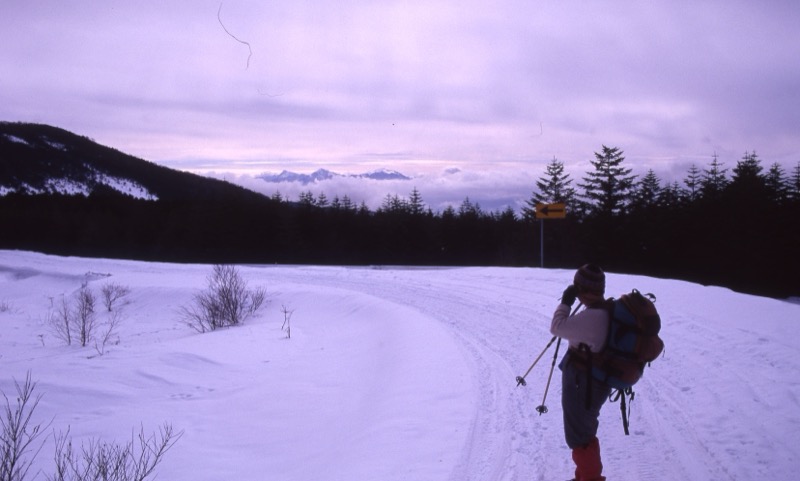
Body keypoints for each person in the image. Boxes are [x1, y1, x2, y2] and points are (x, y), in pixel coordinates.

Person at [550, 264, 611, 481]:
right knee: (584, 432)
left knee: (579, 437)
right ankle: (584, 476)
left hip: (583, 384)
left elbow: (557, 326)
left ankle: (590, 478)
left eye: (577, 287)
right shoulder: (603, 311)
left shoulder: (592, 318)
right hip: (592, 381)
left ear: (582, 289)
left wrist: (566, 302)